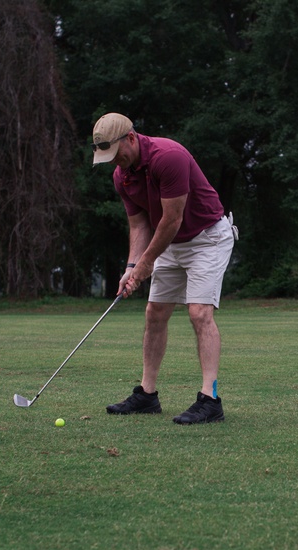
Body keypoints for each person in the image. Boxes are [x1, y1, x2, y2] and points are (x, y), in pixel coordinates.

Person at [91, 112, 236, 424]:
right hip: (169, 242)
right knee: (154, 312)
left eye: (117, 154)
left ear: (130, 137)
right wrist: (132, 266)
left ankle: (210, 399)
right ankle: (147, 395)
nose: (116, 162)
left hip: (207, 237)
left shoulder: (168, 157)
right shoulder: (123, 175)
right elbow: (140, 224)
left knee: (199, 312)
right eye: (109, 158)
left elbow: (172, 220)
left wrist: (145, 264)